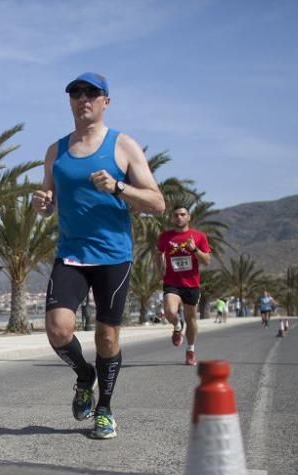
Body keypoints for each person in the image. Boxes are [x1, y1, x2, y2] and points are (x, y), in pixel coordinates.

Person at [32, 71, 165, 440]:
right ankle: (84, 375)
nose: (83, 98)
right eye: (76, 93)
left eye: (92, 92)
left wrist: (119, 186)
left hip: (112, 256)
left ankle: (104, 408)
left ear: (106, 101)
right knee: (58, 329)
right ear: (70, 101)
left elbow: (157, 202)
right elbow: (48, 202)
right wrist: (41, 204)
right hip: (71, 254)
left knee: (107, 338)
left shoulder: (123, 145)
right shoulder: (55, 151)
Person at [157, 205, 211, 366]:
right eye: (176, 215)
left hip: (191, 284)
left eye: (182, 214)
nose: (179, 217)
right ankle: (177, 325)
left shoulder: (199, 236)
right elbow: (158, 252)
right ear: (172, 218)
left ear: (189, 217)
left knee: (191, 318)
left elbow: (207, 261)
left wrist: (194, 250)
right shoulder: (165, 237)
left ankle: (190, 350)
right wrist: (160, 268)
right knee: (169, 310)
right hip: (171, 282)